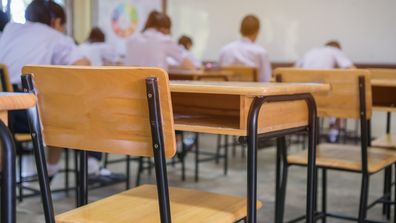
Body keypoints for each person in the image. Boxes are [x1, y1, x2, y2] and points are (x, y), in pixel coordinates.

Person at [0, 0, 91, 181]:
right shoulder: (55, 36)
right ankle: (52, 170)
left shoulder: (9, 31)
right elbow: (84, 67)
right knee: (68, 110)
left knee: (55, 105)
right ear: (56, 21)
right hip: (26, 115)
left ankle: (6, 178)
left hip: (3, 114)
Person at [296, 40, 355, 142]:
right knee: (342, 97)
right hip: (322, 97)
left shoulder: (310, 51)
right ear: (338, 49)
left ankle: (314, 132)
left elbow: (294, 70)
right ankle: (334, 132)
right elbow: (354, 71)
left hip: (304, 97)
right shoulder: (335, 51)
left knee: (331, 94)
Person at [125, 10, 195, 70]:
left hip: (130, 84)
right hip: (154, 84)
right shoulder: (163, 40)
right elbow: (189, 65)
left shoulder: (132, 39)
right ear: (164, 29)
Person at [219, 14, 271, 82]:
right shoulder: (261, 52)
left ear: (240, 30)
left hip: (229, 91)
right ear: (257, 32)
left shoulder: (225, 50)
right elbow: (266, 80)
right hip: (253, 91)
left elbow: (220, 76)